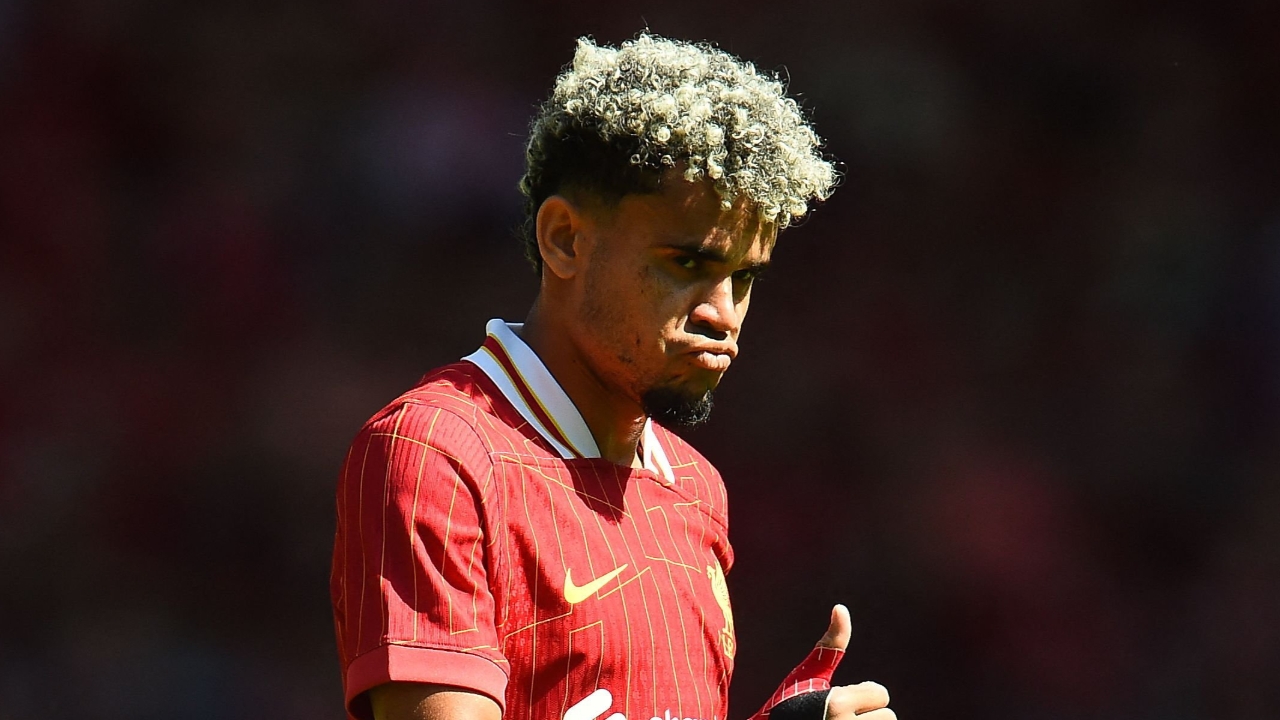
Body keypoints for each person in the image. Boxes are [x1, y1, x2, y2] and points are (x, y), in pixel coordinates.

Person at [331, 33, 895, 720]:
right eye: (686, 264)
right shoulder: (437, 454)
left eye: (743, 277)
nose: (723, 314)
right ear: (564, 239)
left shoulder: (696, 490)